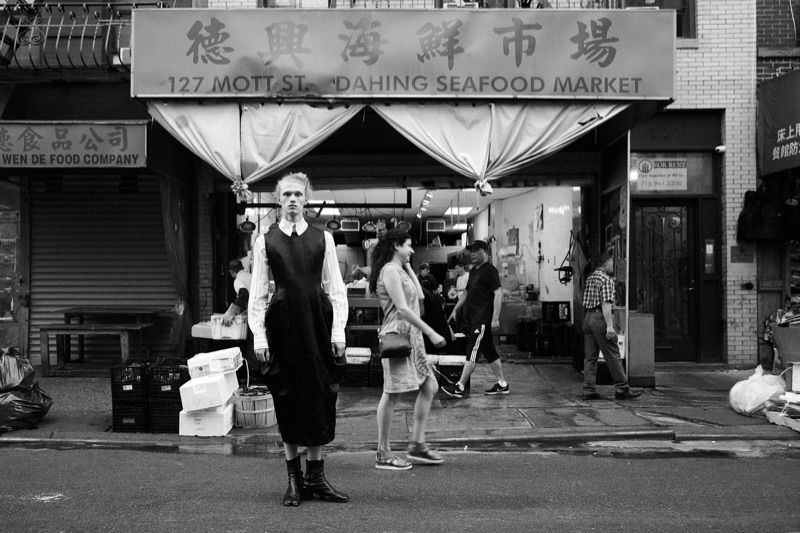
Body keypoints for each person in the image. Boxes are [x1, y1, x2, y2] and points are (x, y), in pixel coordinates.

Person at [248, 172, 350, 507]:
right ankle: (294, 479)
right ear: (279, 199)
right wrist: (259, 337)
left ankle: (316, 477)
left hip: (317, 323)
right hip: (283, 324)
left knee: (319, 394)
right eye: (287, 194)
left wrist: (338, 332)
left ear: (306, 199)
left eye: (298, 194)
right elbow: (259, 293)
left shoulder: (324, 239)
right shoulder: (265, 240)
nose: (293, 199)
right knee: (287, 395)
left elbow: (335, 287)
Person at [369, 228, 447, 471]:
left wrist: (410, 267)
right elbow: (403, 309)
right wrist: (432, 332)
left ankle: (417, 444)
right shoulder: (390, 270)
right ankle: (383, 453)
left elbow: (421, 297)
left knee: (430, 386)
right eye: (408, 245)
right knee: (391, 393)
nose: (412, 249)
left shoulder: (400, 269)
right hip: (398, 337)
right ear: (396, 246)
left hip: (412, 339)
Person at [441, 240, 508, 398]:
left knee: (472, 351)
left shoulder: (489, 270)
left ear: (485, 252)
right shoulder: (473, 271)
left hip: (483, 319)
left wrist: (495, 319)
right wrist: (455, 310)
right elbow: (466, 292)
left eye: (476, 250)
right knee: (489, 351)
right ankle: (502, 384)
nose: (472, 253)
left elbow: (498, 293)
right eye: (470, 251)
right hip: (473, 318)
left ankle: (459, 386)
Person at [581, 252, 642, 401]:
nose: (612, 265)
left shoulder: (590, 278)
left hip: (588, 318)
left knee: (590, 356)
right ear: (606, 263)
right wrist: (609, 326)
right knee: (612, 353)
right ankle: (622, 388)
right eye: (611, 262)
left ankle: (588, 389)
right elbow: (606, 304)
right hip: (600, 318)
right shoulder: (606, 279)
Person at [222, 259, 251, 326]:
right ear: (242, 268)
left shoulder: (238, 280)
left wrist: (230, 312)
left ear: (231, 272)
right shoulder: (251, 276)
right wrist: (247, 311)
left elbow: (244, 294)